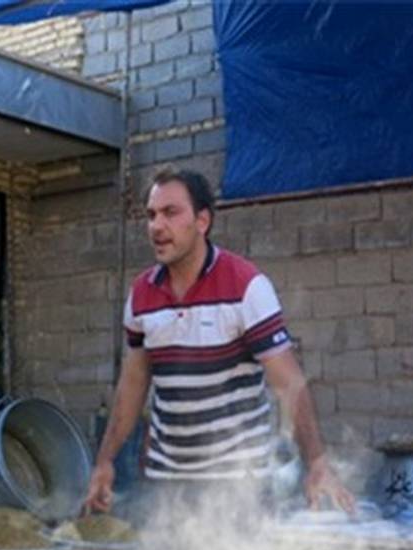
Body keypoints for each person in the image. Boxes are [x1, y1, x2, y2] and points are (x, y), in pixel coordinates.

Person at [85, 169, 354, 515]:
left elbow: (289, 383)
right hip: (167, 482)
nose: (156, 226)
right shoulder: (141, 295)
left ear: (202, 221)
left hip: (239, 485)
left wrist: (316, 461)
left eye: (170, 213)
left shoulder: (246, 286)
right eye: (151, 215)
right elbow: (133, 383)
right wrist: (105, 460)